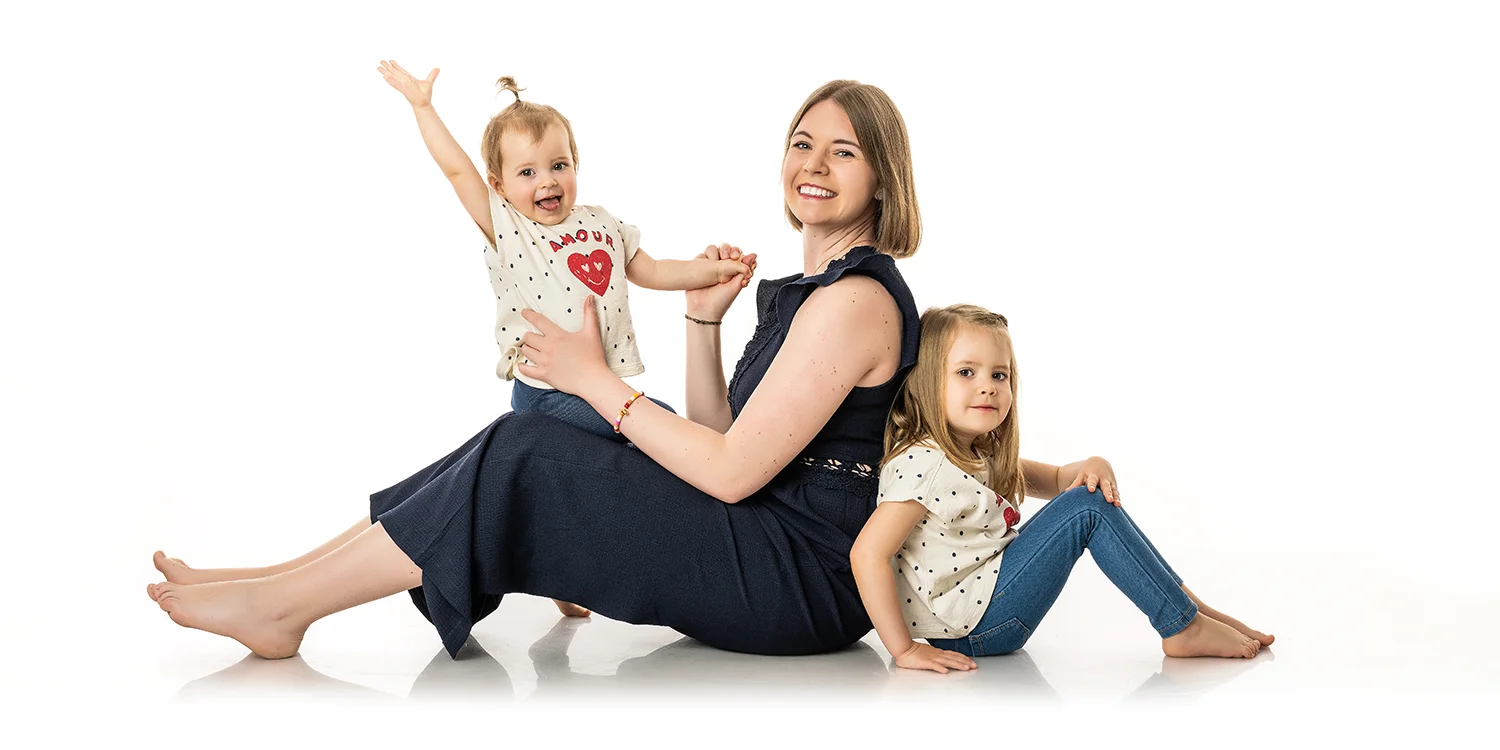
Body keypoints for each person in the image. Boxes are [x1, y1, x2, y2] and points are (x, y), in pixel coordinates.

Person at [147, 78, 927, 660]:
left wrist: (595, 380)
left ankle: (281, 608)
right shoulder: (816, 293)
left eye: (844, 151)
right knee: (511, 437)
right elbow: (721, 439)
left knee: (526, 449)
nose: (813, 164)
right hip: (767, 538)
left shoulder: (853, 301)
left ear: (881, 178)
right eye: (803, 143)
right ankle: (280, 580)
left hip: (804, 579)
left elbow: (726, 477)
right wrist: (700, 321)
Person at [851, 304, 1274, 673]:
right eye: (966, 372)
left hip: (989, 611)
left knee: (1088, 499)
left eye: (1000, 374)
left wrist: (1094, 464)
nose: (989, 386)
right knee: (1088, 508)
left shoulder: (974, 454)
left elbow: (1058, 480)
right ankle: (1183, 625)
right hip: (973, 627)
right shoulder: (923, 464)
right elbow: (868, 553)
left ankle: (1193, 614)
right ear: (926, 383)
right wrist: (903, 650)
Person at [376, 61, 752, 441]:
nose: (548, 181)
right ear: (499, 185)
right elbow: (458, 171)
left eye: (559, 165)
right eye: (527, 172)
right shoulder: (509, 227)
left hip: (595, 382)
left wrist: (716, 272)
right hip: (547, 390)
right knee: (659, 424)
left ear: (576, 164)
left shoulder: (602, 222)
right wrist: (423, 108)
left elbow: (653, 271)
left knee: (657, 425)